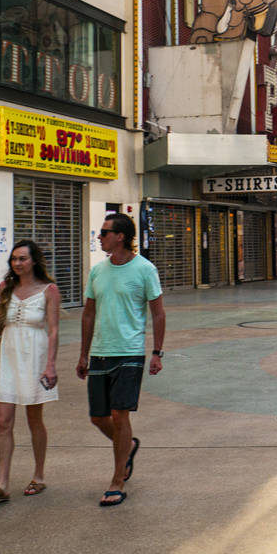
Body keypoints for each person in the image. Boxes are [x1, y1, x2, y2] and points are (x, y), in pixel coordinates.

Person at [77, 213, 166, 507]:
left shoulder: (145, 269)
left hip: (129, 352)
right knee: (98, 417)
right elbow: (88, 313)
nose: (100, 237)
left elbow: (158, 313)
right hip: (100, 351)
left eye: (104, 232)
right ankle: (126, 447)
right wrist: (83, 353)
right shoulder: (97, 271)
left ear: (120, 236)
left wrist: (156, 352)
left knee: (119, 414)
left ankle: (117, 480)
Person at [0, 240, 60, 502]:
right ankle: (2, 482)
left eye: (22, 259)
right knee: (3, 421)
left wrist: (50, 365)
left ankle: (39, 476)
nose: (17, 263)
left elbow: (53, 330)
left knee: (34, 420)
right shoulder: (5, 288)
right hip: (9, 359)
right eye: (14, 259)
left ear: (34, 261)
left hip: (35, 359)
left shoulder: (49, 290)